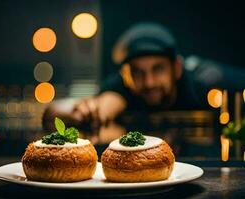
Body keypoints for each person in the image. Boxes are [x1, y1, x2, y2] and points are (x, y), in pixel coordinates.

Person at [42, 23, 245, 133]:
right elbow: (96, 107)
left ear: (176, 68)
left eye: (158, 69)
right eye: (138, 72)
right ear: (127, 75)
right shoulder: (122, 86)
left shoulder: (203, 81)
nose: (148, 82)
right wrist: (84, 111)